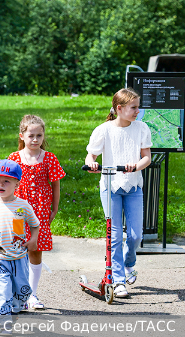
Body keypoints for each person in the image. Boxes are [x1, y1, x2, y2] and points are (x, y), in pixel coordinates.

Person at [84, 88, 151, 298]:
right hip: (110, 186)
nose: (137, 111)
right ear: (119, 108)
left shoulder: (141, 128)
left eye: (138, 107)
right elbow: (90, 156)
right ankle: (119, 281)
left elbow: (146, 157)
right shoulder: (103, 130)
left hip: (133, 186)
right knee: (113, 237)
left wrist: (136, 166)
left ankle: (129, 263)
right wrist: (93, 164)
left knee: (135, 235)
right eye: (133, 108)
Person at [7, 115, 65, 310]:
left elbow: (55, 184)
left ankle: (31, 294)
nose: (35, 139)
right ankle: (19, 294)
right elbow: (6, 184)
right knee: (17, 248)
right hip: (17, 212)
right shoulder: (14, 158)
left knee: (35, 249)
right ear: (22, 136)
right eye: (31, 135)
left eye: (39, 135)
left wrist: (54, 207)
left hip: (39, 211)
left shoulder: (49, 158)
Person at [0, 159, 39, 324]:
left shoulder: (23, 206)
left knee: (23, 291)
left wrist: (33, 240)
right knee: (3, 293)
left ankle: (16, 307)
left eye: (6, 181)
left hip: (19, 258)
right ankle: (4, 321)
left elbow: (35, 225)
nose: (0, 184)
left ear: (17, 183)